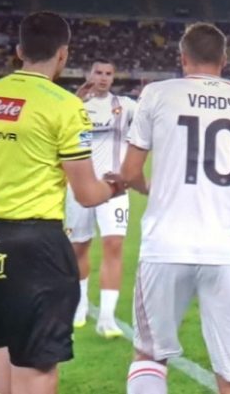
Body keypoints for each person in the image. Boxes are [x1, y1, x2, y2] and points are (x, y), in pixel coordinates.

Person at [0, 12, 123, 394]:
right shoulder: (65, 106)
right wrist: (116, 187)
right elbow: (87, 193)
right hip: (37, 248)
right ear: (63, 54)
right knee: (36, 371)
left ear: (19, 51)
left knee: (3, 364)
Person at [120, 23, 230, 394]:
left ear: (183, 58)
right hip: (229, 251)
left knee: (150, 355)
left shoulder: (157, 94)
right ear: (224, 59)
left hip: (166, 246)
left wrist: (152, 189)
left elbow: (130, 172)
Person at [64, 58, 136, 338]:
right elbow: (56, 129)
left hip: (113, 187)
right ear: (89, 74)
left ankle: (107, 318)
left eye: (108, 73)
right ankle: (79, 305)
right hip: (79, 187)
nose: (103, 77)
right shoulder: (74, 105)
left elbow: (152, 120)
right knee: (79, 247)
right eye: (98, 72)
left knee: (113, 245)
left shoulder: (125, 106)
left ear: (113, 78)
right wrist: (75, 100)